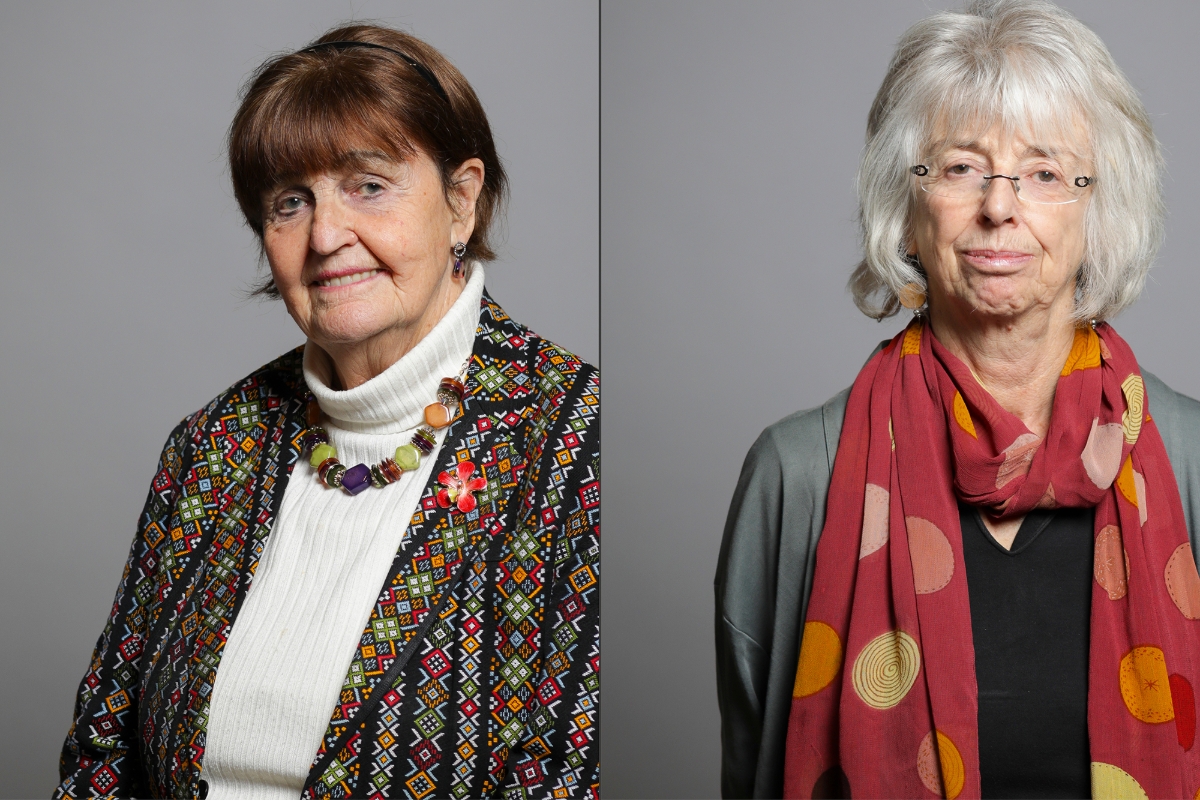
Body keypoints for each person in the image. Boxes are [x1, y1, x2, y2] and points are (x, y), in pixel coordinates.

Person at [55, 24, 599, 799]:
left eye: (368, 185)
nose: (326, 236)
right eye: (289, 202)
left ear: (462, 200)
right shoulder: (213, 445)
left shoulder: (577, 443)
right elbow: (102, 750)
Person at [715, 1, 1200, 797]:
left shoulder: (1189, 460)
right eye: (961, 166)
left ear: (1098, 212)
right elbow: (752, 769)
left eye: (1045, 173)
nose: (999, 206)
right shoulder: (796, 474)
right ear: (907, 211)